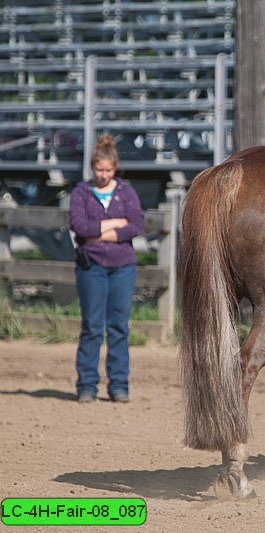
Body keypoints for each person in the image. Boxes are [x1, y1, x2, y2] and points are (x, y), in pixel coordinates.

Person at [69, 133, 144, 403]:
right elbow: (79, 226)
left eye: (108, 170)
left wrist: (98, 234)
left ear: (115, 168)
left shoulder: (125, 191)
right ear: (92, 167)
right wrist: (115, 224)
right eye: (99, 170)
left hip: (122, 267)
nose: (103, 175)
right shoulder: (81, 192)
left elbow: (136, 224)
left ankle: (119, 383)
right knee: (91, 325)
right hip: (92, 267)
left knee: (119, 326)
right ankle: (87, 384)